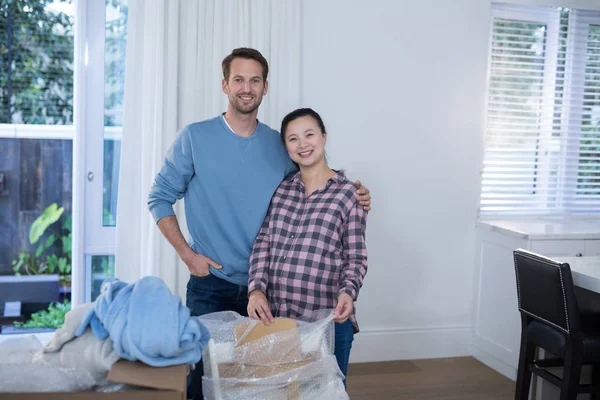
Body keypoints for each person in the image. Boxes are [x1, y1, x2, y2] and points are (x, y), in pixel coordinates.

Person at [147, 48, 371, 399]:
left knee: (261, 387)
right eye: (239, 79)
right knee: (202, 383)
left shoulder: (276, 144)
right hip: (213, 286)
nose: (246, 87)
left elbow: (312, 175)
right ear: (225, 85)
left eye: (255, 80)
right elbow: (158, 197)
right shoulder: (194, 137)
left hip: (271, 296)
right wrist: (188, 255)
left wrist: (354, 190)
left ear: (265, 87)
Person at [247, 108, 368, 385]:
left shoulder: (349, 194)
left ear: (323, 137)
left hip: (326, 323)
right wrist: (255, 289)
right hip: (278, 321)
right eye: (293, 139)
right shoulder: (281, 190)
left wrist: (348, 292)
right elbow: (263, 243)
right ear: (286, 147)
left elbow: (356, 257)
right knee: (279, 391)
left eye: (309, 134)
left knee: (324, 393)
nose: (303, 144)